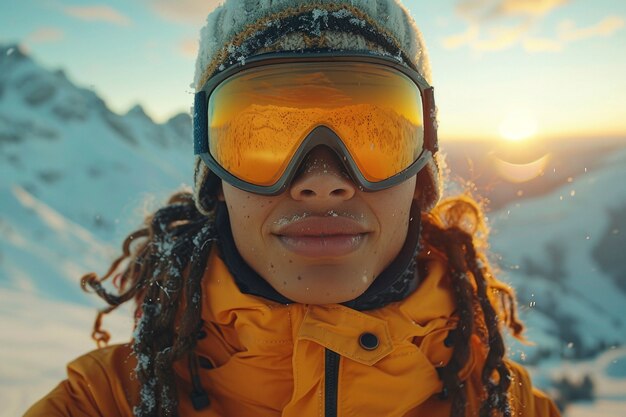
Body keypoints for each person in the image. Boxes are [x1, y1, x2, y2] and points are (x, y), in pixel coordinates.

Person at [25, 0, 561, 416]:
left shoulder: (506, 407)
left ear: (421, 172)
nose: (322, 183)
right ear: (214, 177)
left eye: (374, 135)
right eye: (263, 139)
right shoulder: (102, 403)